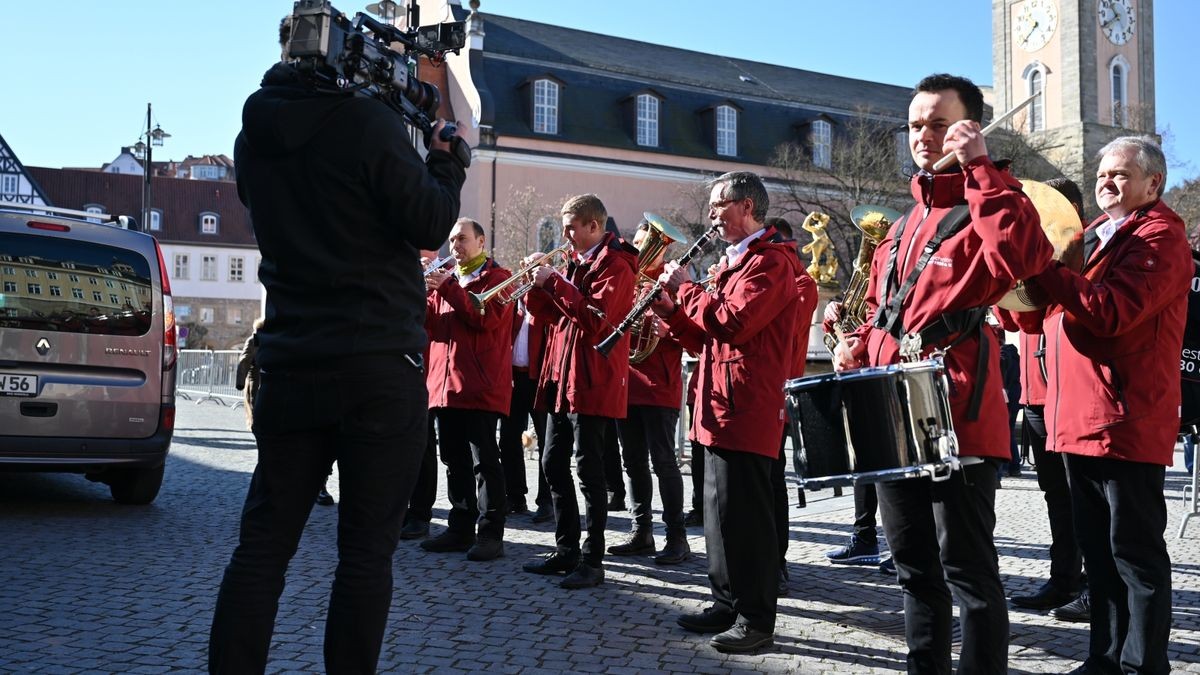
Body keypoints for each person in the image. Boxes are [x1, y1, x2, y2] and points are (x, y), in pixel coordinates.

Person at [208, 15, 468, 673]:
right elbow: (432, 220)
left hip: (293, 361)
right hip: (377, 361)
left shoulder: (254, 139)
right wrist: (444, 160)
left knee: (262, 547)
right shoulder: (366, 125)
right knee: (364, 553)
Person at [831, 74, 1053, 674]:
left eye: (939, 124)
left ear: (970, 128)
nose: (924, 136)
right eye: (915, 125)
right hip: (892, 412)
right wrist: (856, 345)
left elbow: (1024, 257)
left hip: (958, 412)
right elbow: (891, 316)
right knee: (912, 566)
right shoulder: (902, 225)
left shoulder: (994, 197)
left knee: (969, 572)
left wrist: (982, 169)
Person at [1000, 135, 1188, 675]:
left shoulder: (1159, 238)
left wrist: (1044, 269)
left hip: (1122, 420)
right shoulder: (1097, 236)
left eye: (1121, 175)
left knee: (1134, 558)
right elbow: (1043, 316)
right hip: (1075, 419)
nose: (1106, 182)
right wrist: (1018, 289)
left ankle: (1144, 665)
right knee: (1100, 559)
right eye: (1102, 174)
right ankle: (1104, 659)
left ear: (1153, 184)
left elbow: (1108, 312)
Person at [654, 171, 801, 653]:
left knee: (747, 521)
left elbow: (733, 323)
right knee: (717, 517)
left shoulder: (771, 263)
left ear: (747, 207)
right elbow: (706, 338)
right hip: (718, 404)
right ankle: (725, 602)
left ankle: (756, 619)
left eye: (720, 204)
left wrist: (689, 289)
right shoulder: (736, 261)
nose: (712, 213)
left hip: (749, 404)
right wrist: (672, 311)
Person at [521, 194, 637, 589]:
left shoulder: (616, 265)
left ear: (594, 226)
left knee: (589, 471)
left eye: (572, 227)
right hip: (562, 375)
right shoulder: (576, 262)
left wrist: (554, 281)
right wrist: (536, 286)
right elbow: (553, 315)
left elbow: (596, 321)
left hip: (593, 378)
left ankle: (593, 558)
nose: (566, 234)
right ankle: (566, 548)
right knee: (553, 462)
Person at [1002, 177, 1088, 619]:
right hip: (1038, 395)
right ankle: (1063, 579)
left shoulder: (1085, 253)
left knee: (1085, 496)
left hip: (1073, 394)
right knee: (1055, 492)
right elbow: (1022, 323)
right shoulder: (1037, 256)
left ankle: (1093, 583)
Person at [421, 218, 515, 562]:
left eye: (462, 239)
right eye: (451, 240)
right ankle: (460, 527)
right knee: (453, 459)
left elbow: (484, 319)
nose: (455, 246)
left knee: (484, 461)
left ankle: (491, 533)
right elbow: (429, 324)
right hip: (445, 385)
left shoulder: (498, 278)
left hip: (479, 385)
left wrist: (446, 287)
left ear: (481, 242)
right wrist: (420, 290)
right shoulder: (447, 280)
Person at [608, 220, 690, 565]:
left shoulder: (674, 284)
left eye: (646, 243)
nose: (639, 249)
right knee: (633, 462)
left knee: (664, 462)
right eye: (638, 242)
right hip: (629, 383)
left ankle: (677, 537)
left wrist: (666, 329)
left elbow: (693, 333)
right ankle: (641, 531)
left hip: (659, 386)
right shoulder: (629, 282)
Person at [765, 216, 819, 595]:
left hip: (779, 392)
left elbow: (778, 325)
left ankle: (777, 561)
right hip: (752, 392)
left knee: (771, 482)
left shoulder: (803, 284)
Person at [498, 296, 550, 519]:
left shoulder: (546, 306)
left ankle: (547, 501)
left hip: (539, 380)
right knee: (508, 438)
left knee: (547, 443)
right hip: (514, 379)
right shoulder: (513, 306)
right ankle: (515, 496)